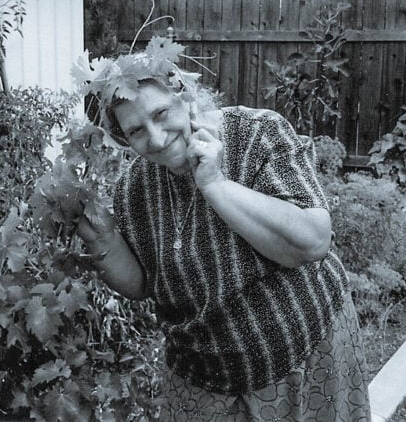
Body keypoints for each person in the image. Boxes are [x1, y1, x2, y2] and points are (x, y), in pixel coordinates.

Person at [72, 38, 371, 421]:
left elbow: (312, 242)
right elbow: (143, 285)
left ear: (185, 95)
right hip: (202, 379)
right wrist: (103, 239)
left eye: (161, 113)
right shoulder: (134, 189)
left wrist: (215, 185)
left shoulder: (257, 133)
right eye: (136, 131)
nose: (157, 139)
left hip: (305, 356)